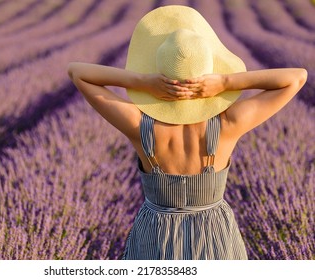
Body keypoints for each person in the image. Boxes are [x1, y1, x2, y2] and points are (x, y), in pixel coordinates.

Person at [67, 5, 307, 260]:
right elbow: (296, 77)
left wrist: (141, 81)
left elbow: (77, 72)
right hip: (215, 236)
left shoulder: (138, 124)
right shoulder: (228, 124)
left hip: (155, 235)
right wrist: (226, 82)